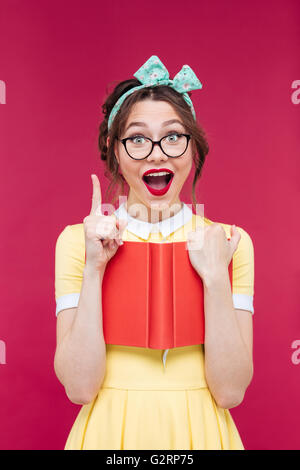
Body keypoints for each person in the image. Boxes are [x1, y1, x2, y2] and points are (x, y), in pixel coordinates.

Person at [54, 55, 255, 450]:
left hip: (201, 433)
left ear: (193, 147)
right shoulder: (78, 241)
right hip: (111, 434)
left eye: (174, 136)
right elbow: (80, 387)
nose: (158, 153)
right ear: (115, 150)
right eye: (138, 139)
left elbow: (230, 392)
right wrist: (95, 268)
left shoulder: (231, 242)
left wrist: (215, 279)